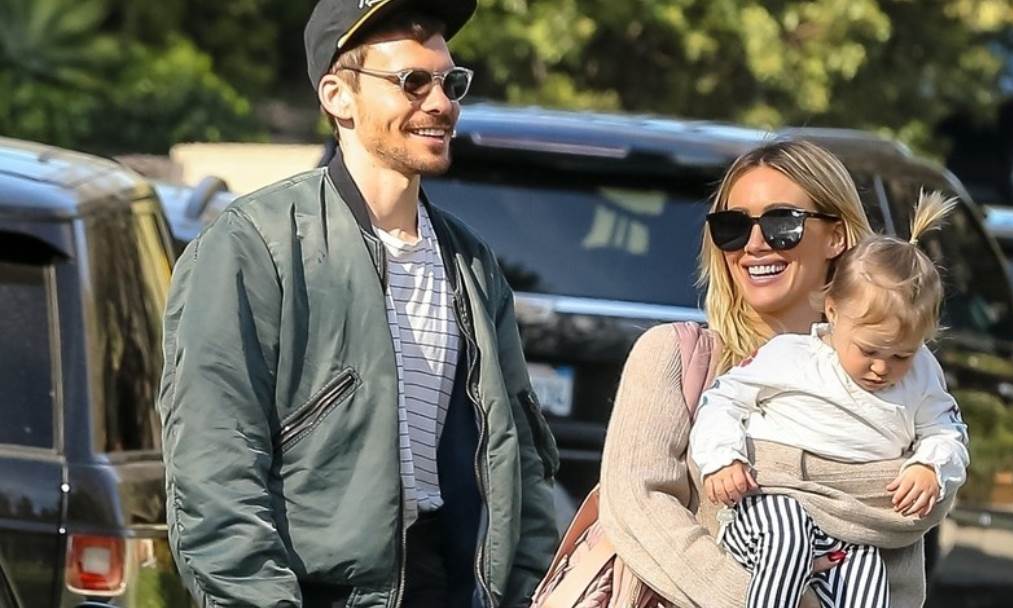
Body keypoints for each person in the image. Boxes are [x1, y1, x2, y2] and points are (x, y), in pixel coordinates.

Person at [155, 1, 559, 606]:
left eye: (450, 82)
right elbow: (215, 463)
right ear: (338, 96)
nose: (440, 103)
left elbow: (520, 461)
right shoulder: (254, 245)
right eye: (412, 82)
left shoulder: (470, 263)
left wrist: (530, 593)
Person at [598, 139, 955, 608]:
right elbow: (639, 509)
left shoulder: (895, 374)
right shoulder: (676, 357)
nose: (754, 244)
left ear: (837, 235)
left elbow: (907, 531)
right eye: (732, 226)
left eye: (782, 223)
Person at [690, 191, 970, 608]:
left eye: (902, 355)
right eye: (869, 350)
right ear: (833, 312)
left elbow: (946, 431)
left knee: (868, 581)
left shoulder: (923, 375)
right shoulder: (791, 356)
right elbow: (722, 400)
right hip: (767, 505)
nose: (882, 367)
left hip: (851, 526)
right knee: (786, 542)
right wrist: (722, 459)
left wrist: (930, 465)